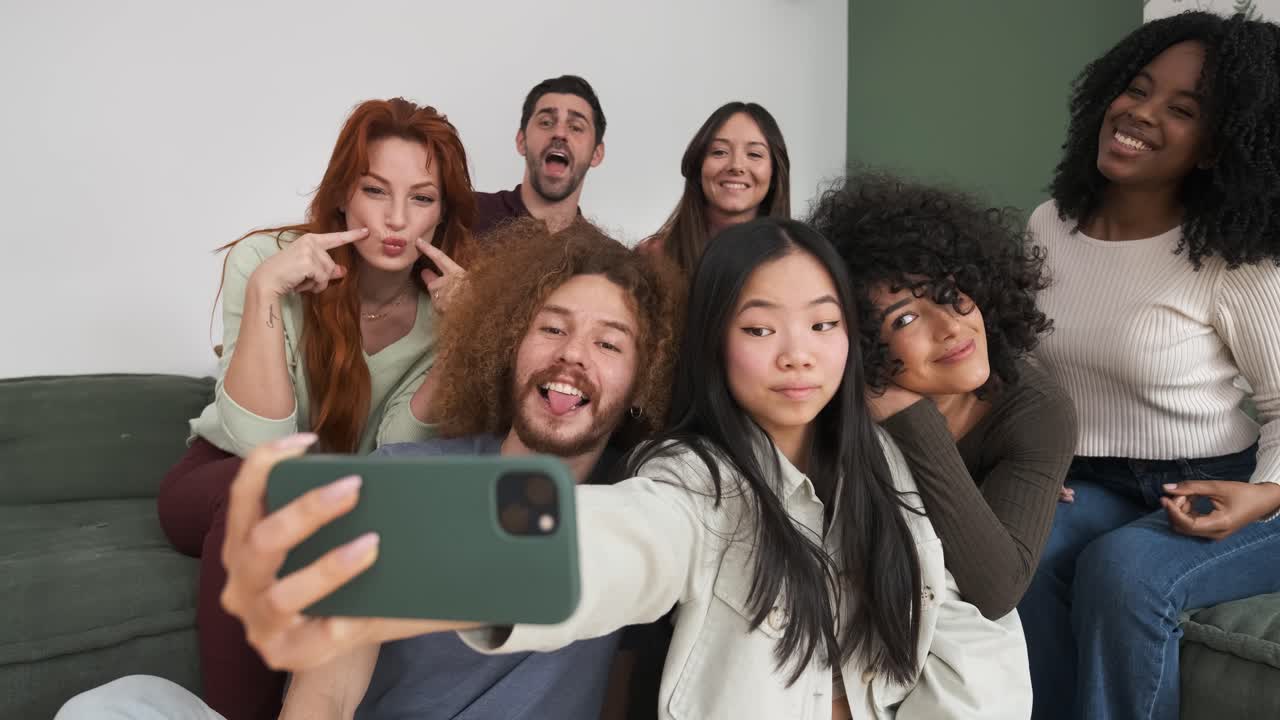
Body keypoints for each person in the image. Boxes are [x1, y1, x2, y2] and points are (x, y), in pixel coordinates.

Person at [212, 218, 1032, 719]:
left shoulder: (884, 478)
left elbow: (973, 641)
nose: (796, 354)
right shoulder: (688, 485)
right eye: (759, 328)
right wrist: (378, 541)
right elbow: (618, 540)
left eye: (822, 324)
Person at [56, 218, 683, 720]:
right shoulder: (403, 475)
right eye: (552, 328)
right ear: (510, 345)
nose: (572, 355)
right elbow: (325, 694)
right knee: (110, 706)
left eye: (608, 343)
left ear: (640, 382)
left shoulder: (648, 513)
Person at [155, 97, 476, 720]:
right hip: (220, 479)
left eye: (421, 198)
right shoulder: (266, 262)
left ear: (443, 213)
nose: (396, 219)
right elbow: (261, 444)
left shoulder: (450, 310)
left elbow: (399, 453)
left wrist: (461, 346)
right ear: (343, 197)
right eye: (376, 190)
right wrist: (266, 291)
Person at [1016, 12, 1280, 719]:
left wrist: (1265, 494)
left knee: (1124, 571)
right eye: (1135, 89)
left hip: (1226, 485)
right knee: (1022, 549)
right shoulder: (1048, 226)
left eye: (1182, 109)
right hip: (1090, 478)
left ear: (1216, 148)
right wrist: (1029, 465)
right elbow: (1018, 371)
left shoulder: (1233, 263)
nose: (1139, 112)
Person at [808, 172, 1076, 619]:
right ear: (862, 342)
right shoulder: (821, 402)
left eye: (950, 294)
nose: (950, 325)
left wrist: (908, 414)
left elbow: (996, 591)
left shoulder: (1037, 411)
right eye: (905, 320)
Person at [638, 101, 790, 273]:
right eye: (719, 152)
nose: (736, 166)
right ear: (698, 166)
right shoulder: (653, 257)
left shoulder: (796, 262)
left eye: (754, 154)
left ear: (775, 173)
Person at [473, 75, 607, 238]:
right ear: (522, 141)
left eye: (576, 127)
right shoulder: (464, 214)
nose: (559, 133)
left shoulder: (608, 257)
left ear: (596, 154)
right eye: (546, 123)